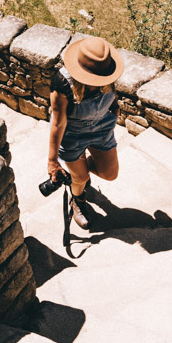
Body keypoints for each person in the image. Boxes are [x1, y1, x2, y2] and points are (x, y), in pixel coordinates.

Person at [47, 35, 124, 230]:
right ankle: (78, 199)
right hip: (72, 133)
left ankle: (76, 174)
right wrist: (53, 161)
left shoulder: (108, 72)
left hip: (102, 128)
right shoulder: (62, 86)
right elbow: (58, 124)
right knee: (80, 179)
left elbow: (113, 96)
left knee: (110, 174)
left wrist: (114, 111)